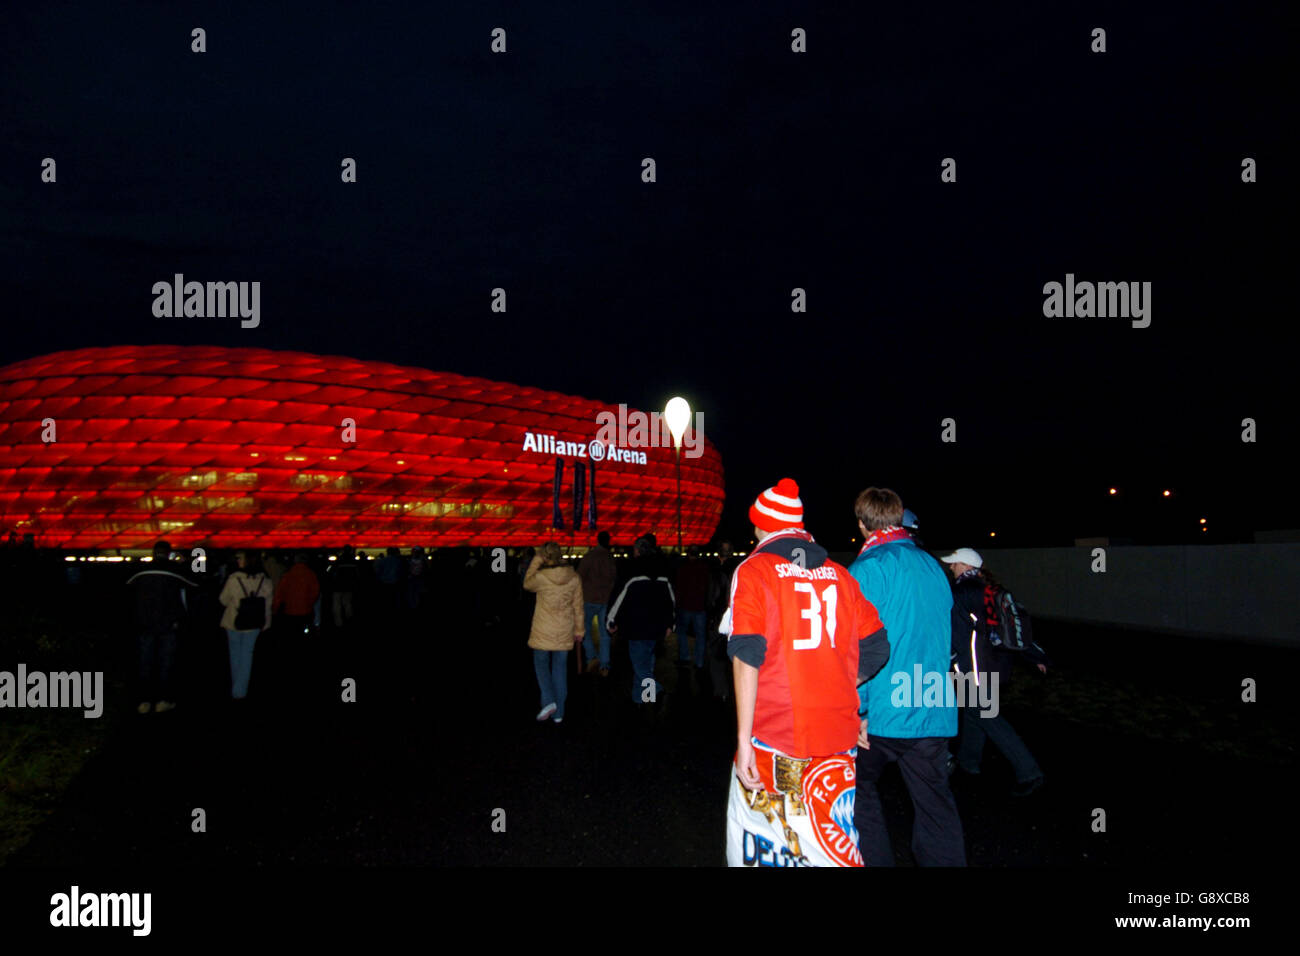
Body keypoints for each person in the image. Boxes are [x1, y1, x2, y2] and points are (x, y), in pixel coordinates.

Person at [724, 479, 891, 868]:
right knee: (832, 844)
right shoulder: (840, 575)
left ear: (764, 526)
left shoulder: (755, 571)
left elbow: (747, 654)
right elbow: (877, 646)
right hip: (837, 741)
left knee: (771, 846)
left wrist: (743, 737)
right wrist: (840, 689)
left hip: (777, 737)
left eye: (755, 525)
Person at [849, 488, 966, 866]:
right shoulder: (933, 567)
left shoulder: (868, 569)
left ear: (863, 524)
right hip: (932, 704)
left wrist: (857, 711)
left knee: (855, 789)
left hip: (885, 710)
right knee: (935, 806)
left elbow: (861, 647)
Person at [941, 548, 1049, 796]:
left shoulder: (961, 593)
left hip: (974, 671)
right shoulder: (989, 590)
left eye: (954, 564)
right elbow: (1010, 626)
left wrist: (950, 662)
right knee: (973, 713)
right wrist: (1035, 656)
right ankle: (969, 763)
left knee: (989, 718)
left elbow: (955, 635)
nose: (951, 567)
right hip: (996, 667)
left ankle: (1030, 772)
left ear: (966, 566)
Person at [607, 536, 675, 708]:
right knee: (647, 662)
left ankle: (656, 691)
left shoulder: (631, 569)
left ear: (638, 550)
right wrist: (670, 623)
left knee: (640, 664)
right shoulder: (663, 569)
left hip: (636, 625)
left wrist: (611, 620)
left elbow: (619, 596)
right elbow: (671, 599)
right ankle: (644, 698)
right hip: (656, 626)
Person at [128, 541, 193, 714]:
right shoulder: (174, 571)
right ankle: (163, 700)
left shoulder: (141, 572)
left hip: (145, 624)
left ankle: (144, 701)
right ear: (169, 553)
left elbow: (130, 592)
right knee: (166, 662)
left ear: (154, 553)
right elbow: (193, 585)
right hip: (168, 625)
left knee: (145, 662)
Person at [523, 542, 585, 723]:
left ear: (545, 556)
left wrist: (535, 560)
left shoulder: (541, 577)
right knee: (560, 670)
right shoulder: (574, 577)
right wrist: (580, 630)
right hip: (564, 630)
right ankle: (559, 714)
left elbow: (526, 584)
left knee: (541, 665)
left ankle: (549, 700)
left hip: (543, 629)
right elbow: (578, 607)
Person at [219, 550, 273, 700]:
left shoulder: (233, 579)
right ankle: (239, 690)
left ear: (247, 560)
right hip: (255, 622)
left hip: (234, 621)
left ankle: (237, 687)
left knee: (234, 654)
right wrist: (266, 623)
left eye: (240, 558)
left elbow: (223, 600)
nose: (238, 561)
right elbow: (268, 605)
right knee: (247, 654)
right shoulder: (265, 581)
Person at [578, 531, 617, 676]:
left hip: (588, 598)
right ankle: (605, 665)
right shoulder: (610, 558)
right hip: (605, 600)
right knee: (604, 633)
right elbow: (614, 579)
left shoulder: (589, 556)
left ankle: (592, 657)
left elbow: (579, 576)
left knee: (585, 629)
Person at [674, 546, 712, 670]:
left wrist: (677, 605)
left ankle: (685, 657)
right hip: (700, 606)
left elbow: (679, 588)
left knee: (682, 632)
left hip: (685, 605)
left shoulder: (683, 568)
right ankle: (699, 661)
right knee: (700, 635)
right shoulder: (705, 568)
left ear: (688, 554)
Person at [274, 553, 320, 637]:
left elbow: (279, 593)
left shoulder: (287, 575)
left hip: (290, 611)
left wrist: (276, 608)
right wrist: (309, 604)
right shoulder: (311, 574)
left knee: (292, 634)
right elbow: (315, 593)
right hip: (306, 611)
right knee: (304, 634)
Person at [327, 545, 361, 630]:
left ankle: (338, 622)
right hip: (349, 585)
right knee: (347, 602)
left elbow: (330, 572)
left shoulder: (338, 560)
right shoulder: (354, 561)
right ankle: (349, 618)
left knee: (337, 604)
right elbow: (358, 574)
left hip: (337, 586)